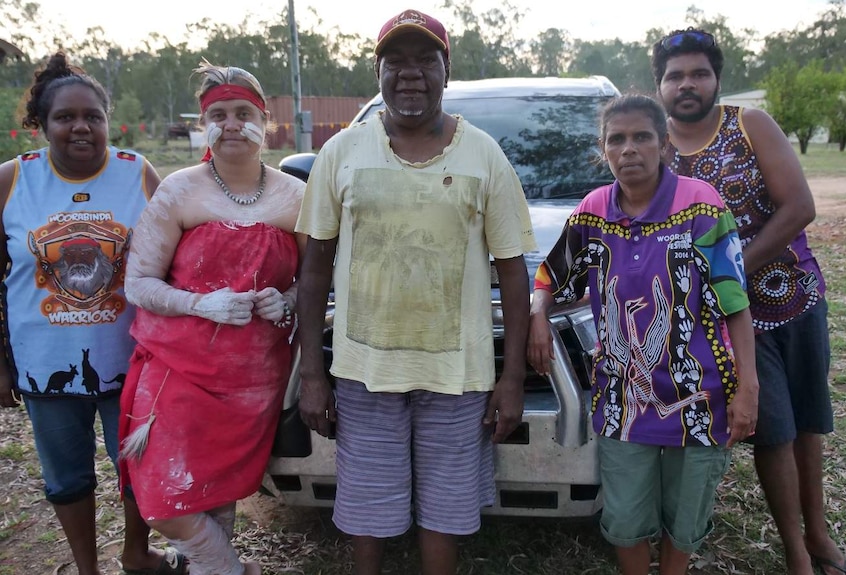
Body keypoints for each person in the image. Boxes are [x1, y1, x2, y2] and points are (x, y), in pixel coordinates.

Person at [295, 9, 535, 575]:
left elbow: (513, 271)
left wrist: (512, 376)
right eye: (395, 61)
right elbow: (313, 271)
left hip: (458, 376)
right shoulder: (341, 152)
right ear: (376, 72)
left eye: (424, 60)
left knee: (445, 514)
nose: (410, 74)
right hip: (364, 370)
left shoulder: (483, 155)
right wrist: (312, 371)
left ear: (445, 70)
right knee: (368, 512)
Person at [652, 29, 846, 575]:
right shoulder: (656, 151)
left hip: (795, 299)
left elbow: (799, 207)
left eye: (698, 73)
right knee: (773, 429)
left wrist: (732, 269)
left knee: (808, 422)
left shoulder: (749, 125)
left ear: (716, 78)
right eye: (675, 76)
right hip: (727, 321)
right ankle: (796, 552)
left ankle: (819, 534)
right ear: (660, 86)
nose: (687, 84)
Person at [528, 94, 759, 575]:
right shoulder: (592, 212)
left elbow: (735, 303)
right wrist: (537, 315)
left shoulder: (702, 205)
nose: (629, 149)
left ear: (665, 144)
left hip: (701, 397)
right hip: (623, 402)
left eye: (642, 137)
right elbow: (550, 276)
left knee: (686, 514)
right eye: (617, 139)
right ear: (603, 148)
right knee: (626, 516)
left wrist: (749, 389)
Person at [0, 52, 186, 575]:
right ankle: (87, 568)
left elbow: (173, 263)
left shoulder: (137, 174)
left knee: (136, 467)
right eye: (65, 117)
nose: (81, 127)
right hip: (43, 366)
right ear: (41, 124)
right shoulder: (12, 181)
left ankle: (135, 552)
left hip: (131, 361)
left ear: (108, 121)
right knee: (65, 477)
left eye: (93, 116)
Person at [118, 61, 306, 575]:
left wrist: (286, 299)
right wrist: (198, 303)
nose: (230, 124)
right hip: (177, 368)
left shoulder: (296, 197)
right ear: (203, 123)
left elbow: (319, 280)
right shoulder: (180, 191)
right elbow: (138, 283)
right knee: (163, 500)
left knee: (215, 491)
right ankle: (231, 570)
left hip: (253, 378)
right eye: (217, 114)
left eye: (243, 112)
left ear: (265, 121)